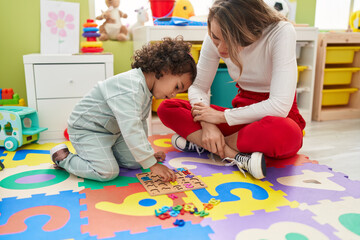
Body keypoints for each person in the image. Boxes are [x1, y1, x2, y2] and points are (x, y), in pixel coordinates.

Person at [157, 0, 305, 179]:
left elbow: (279, 106)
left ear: (249, 32)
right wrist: (208, 124)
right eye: (216, 38)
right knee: (168, 107)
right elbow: (198, 87)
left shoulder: (280, 31)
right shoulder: (216, 33)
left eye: (230, 41)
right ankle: (233, 154)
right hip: (239, 118)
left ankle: (204, 144)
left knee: (288, 133)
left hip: (275, 117)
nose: (220, 48)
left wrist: (220, 117)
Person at [50, 37, 197, 182]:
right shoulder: (131, 87)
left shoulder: (146, 89)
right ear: (164, 69)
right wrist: (152, 164)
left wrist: (148, 156)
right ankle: (63, 158)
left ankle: (104, 153)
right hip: (88, 129)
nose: (173, 95)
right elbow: (131, 128)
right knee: (107, 172)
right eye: (177, 87)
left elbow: (139, 124)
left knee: (135, 162)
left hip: (114, 131)